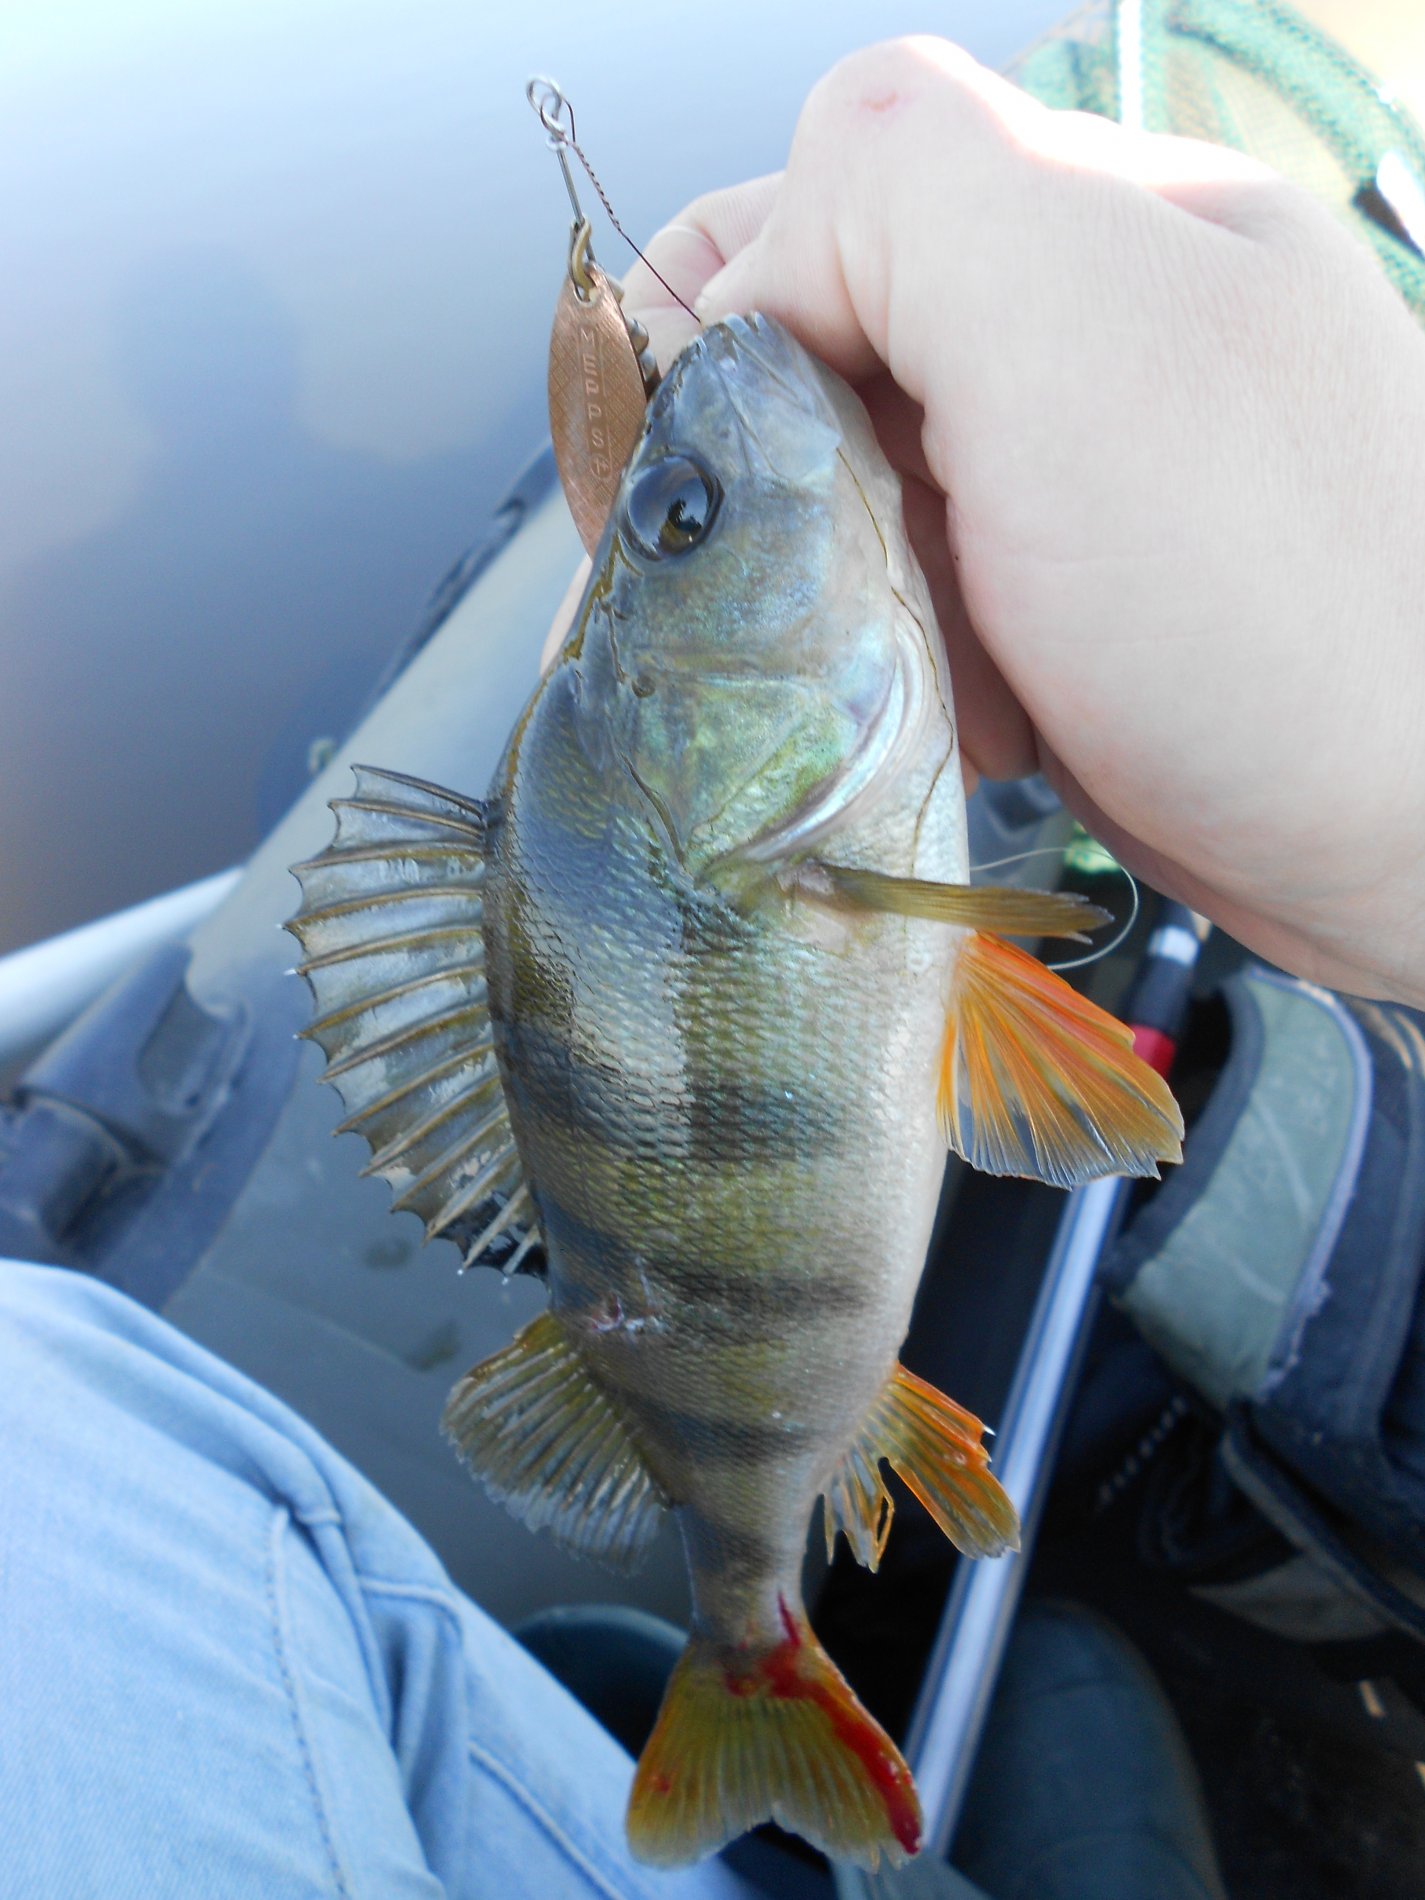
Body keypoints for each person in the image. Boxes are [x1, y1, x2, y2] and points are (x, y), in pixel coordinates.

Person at [4, 9, 1424, 1896]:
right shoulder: (781, 836)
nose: (690, 491)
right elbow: (1056, 1086)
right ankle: (749, 1659)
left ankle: (730, 1726)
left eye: (668, 523)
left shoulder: (737, 814)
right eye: (679, 523)